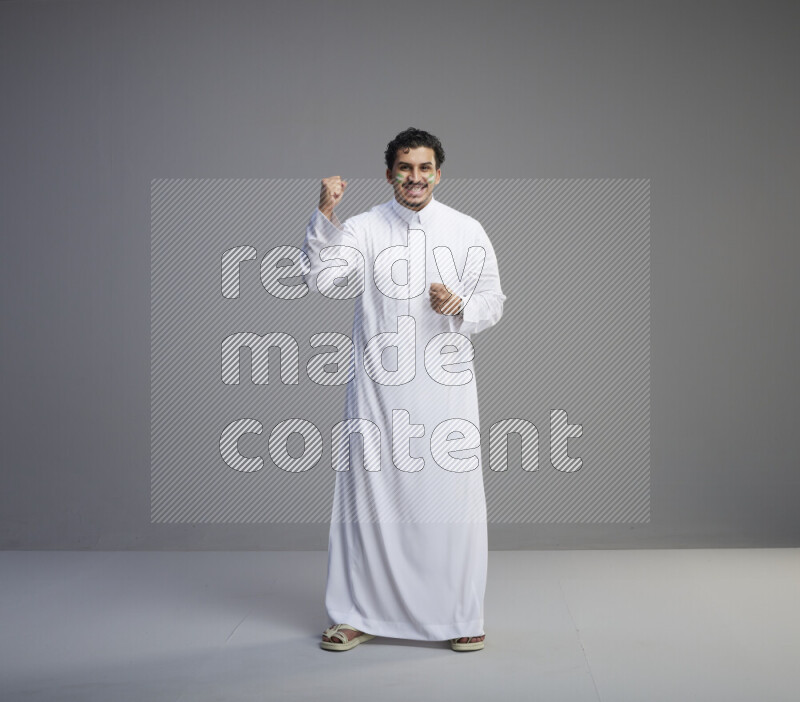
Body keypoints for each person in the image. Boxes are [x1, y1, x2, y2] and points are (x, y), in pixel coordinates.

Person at [301, 128, 506, 652]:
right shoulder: (366, 228)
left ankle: (459, 614)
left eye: (424, 168)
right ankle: (356, 613)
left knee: (451, 501)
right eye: (405, 167)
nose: (415, 177)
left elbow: (493, 301)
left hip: (446, 392)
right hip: (377, 391)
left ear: (438, 173)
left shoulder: (466, 229)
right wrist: (326, 216)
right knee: (369, 500)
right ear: (389, 171)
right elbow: (324, 280)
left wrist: (458, 304)